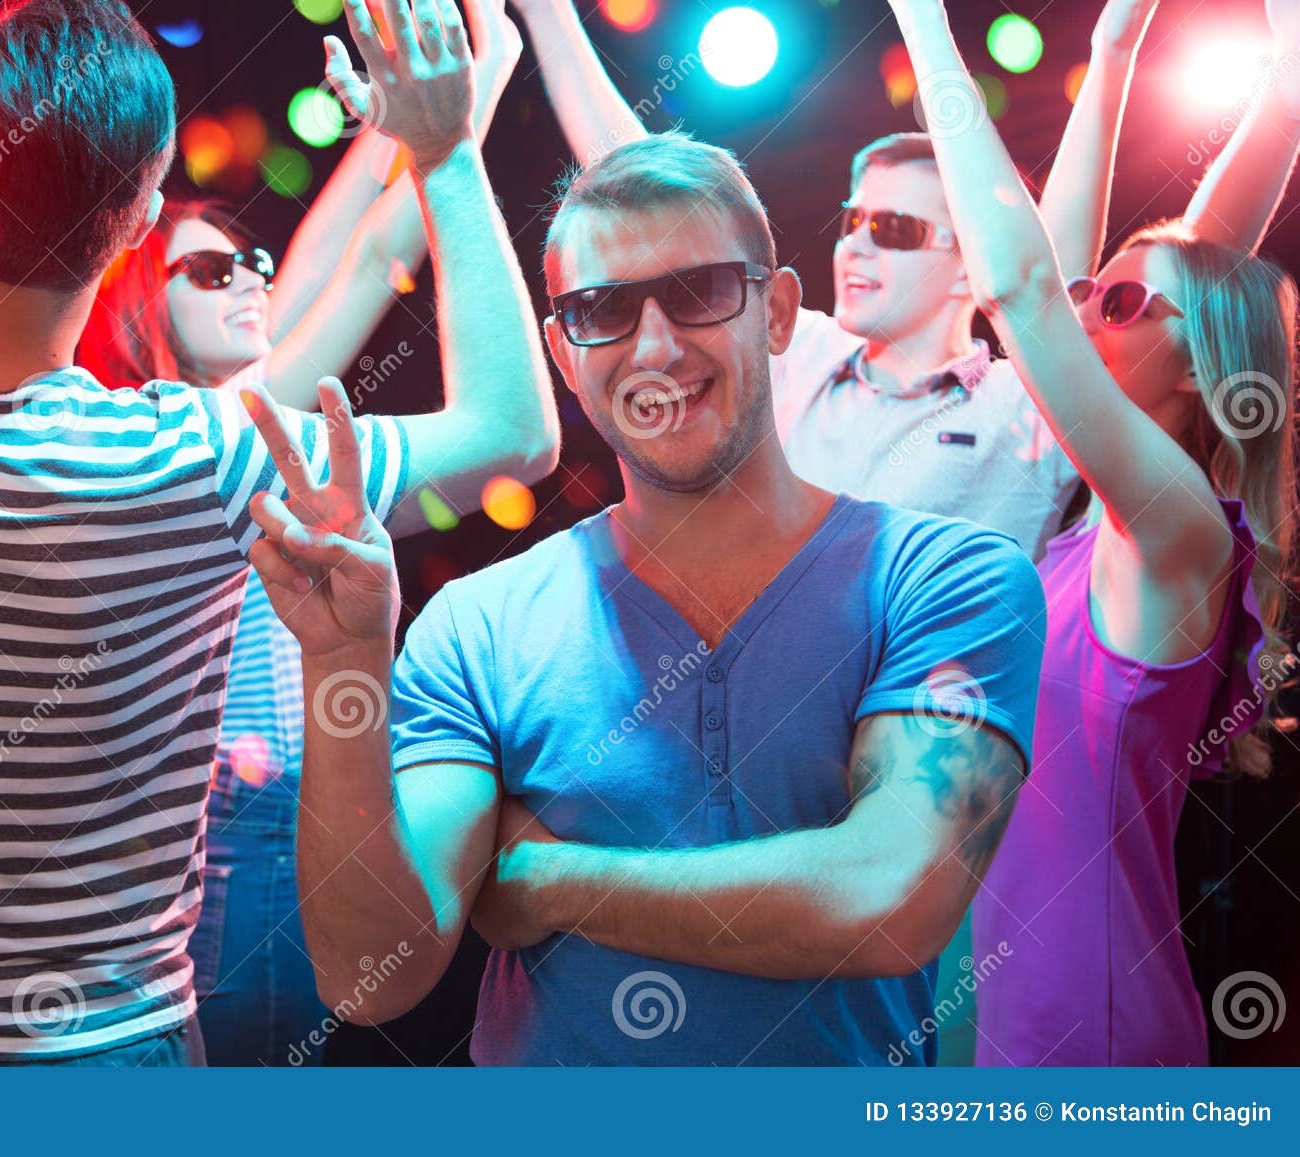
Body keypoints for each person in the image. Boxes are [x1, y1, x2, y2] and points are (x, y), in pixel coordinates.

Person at [0, 0, 554, 1065]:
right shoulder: (191, 457)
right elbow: (515, 431)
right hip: (103, 1061)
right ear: (144, 212)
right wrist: (442, 150)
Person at [257, 122, 1047, 1064]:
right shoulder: (480, 624)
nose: (656, 345)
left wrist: (545, 879)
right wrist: (344, 659)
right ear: (562, 351)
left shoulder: (949, 580)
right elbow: (370, 978)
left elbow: (888, 900)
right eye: (603, 309)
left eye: (700, 290)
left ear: (780, 312)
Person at [74, 0, 533, 1065]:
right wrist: (437, 122)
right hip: (216, 846)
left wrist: (445, 101)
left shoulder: (255, 437)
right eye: (208, 270)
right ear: (137, 300)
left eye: (253, 267)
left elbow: (360, 246)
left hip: (310, 820)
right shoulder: (166, 449)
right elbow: (370, 252)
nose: (252, 279)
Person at [893, 0, 1299, 1066]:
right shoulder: (1096, 532)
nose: (1082, 306)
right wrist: (1120, 47)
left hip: (1084, 1031)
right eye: (1091, 292)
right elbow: (1162, 277)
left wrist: (920, 21)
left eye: (1116, 303)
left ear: (1202, 371)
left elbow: (1022, 285)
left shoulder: (1177, 538)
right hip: (985, 1008)